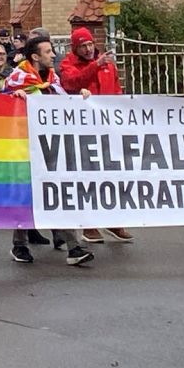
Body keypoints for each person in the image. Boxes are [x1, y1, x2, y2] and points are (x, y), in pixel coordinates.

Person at [4, 35, 96, 267]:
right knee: (27, 196)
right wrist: (14, 98)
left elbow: (60, 105)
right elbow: (2, 104)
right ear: (35, 56)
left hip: (51, 146)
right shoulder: (18, 78)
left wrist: (80, 98)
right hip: (24, 146)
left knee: (58, 192)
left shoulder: (52, 78)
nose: (53, 55)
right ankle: (20, 245)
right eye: (48, 52)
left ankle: (74, 247)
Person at [59, 27, 131, 245]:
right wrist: (93, 67)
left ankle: (112, 219)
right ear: (76, 47)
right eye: (83, 46)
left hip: (107, 127)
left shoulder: (107, 63)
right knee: (87, 176)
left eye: (90, 44)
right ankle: (88, 224)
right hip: (83, 129)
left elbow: (116, 90)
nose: (88, 49)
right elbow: (71, 83)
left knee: (111, 174)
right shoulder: (68, 64)